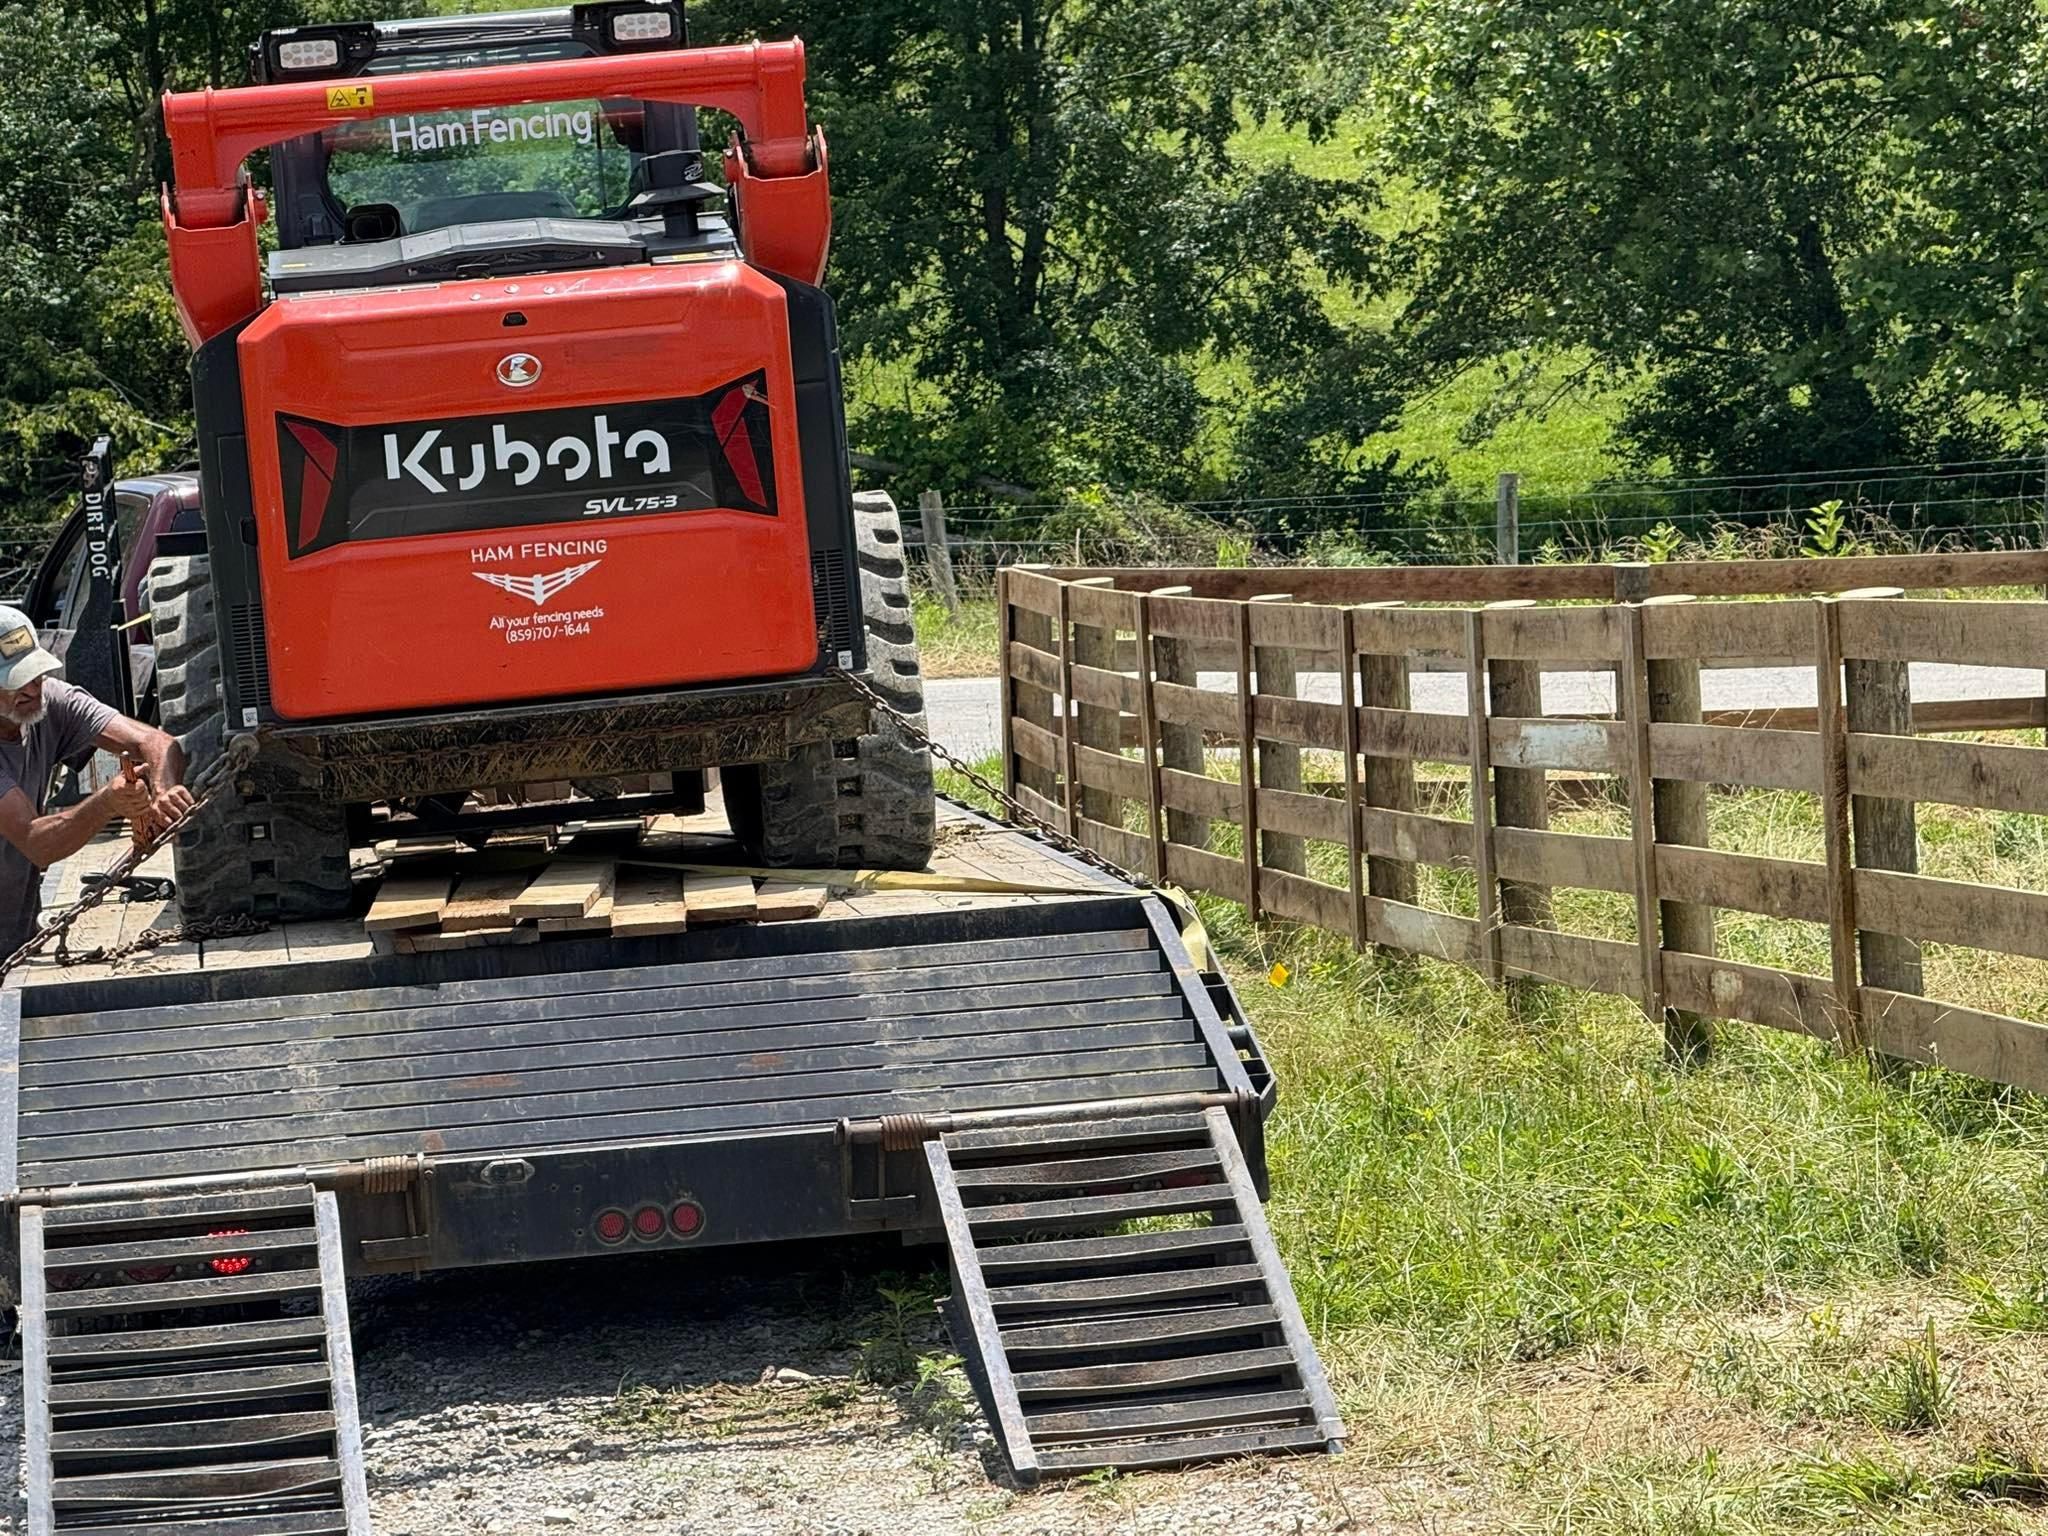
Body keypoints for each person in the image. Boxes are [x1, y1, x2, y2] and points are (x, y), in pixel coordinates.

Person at [0, 605, 195, 955]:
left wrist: (164, 790)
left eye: (36, 673)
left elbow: (154, 742)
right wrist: (107, 802)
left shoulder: (50, 700)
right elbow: (36, 842)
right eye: (16, 681)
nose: (32, 687)